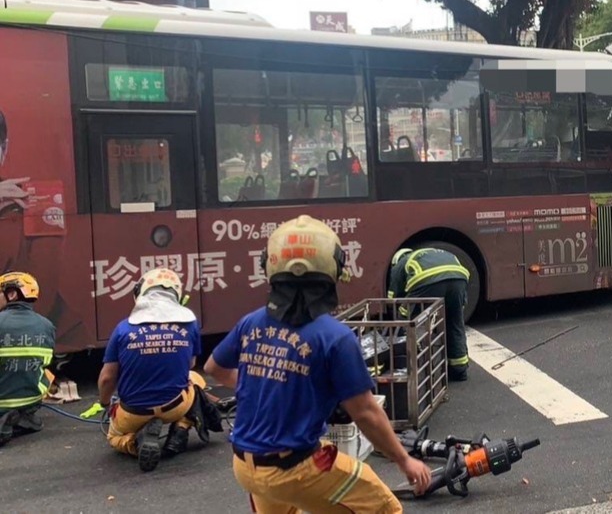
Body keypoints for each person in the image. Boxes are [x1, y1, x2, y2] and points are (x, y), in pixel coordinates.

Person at [204, 215, 430, 513]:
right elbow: (365, 412)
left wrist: (261, 385)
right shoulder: (334, 337)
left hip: (245, 466)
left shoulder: (251, 323)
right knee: (385, 508)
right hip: (297, 468)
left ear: (268, 266)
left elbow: (213, 369)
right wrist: (405, 460)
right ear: (334, 268)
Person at [98, 268, 220, 472]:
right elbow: (189, 365)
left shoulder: (122, 329)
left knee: (113, 437)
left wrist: (104, 402)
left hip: (133, 412)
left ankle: (135, 443)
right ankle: (181, 427)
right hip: (175, 406)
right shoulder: (189, 324)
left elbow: (107, 378)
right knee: (195, 379)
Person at [387, 247, 471, 382]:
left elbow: (392, 297)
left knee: (404, 318)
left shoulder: (401, 262)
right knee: (454, 322)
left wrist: (396, 314)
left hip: (426, 279)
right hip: (459, 278)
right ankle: (459, 370)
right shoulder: (431, 253)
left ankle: (407, 357)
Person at [0, 272, 55, 447]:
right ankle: (25, 415)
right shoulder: (47, 325)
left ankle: (5, 417)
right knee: (47, 373)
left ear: (12, 294)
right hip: (32, 398)